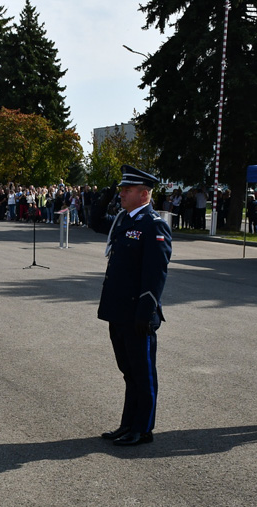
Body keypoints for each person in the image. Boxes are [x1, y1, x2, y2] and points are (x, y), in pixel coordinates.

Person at [90, 167, 172, 446]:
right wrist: (104, 196)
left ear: (144, 194)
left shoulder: (153, 224)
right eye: (122, 189)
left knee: (143, 372)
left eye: (127, 190)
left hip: (138, 313)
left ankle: (143, 428)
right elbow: (95, 221)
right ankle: (128, 423)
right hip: (119, 310)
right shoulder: (124, 220)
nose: (122, 193)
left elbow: (155, 273)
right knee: (128, 370)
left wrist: (146, 312)